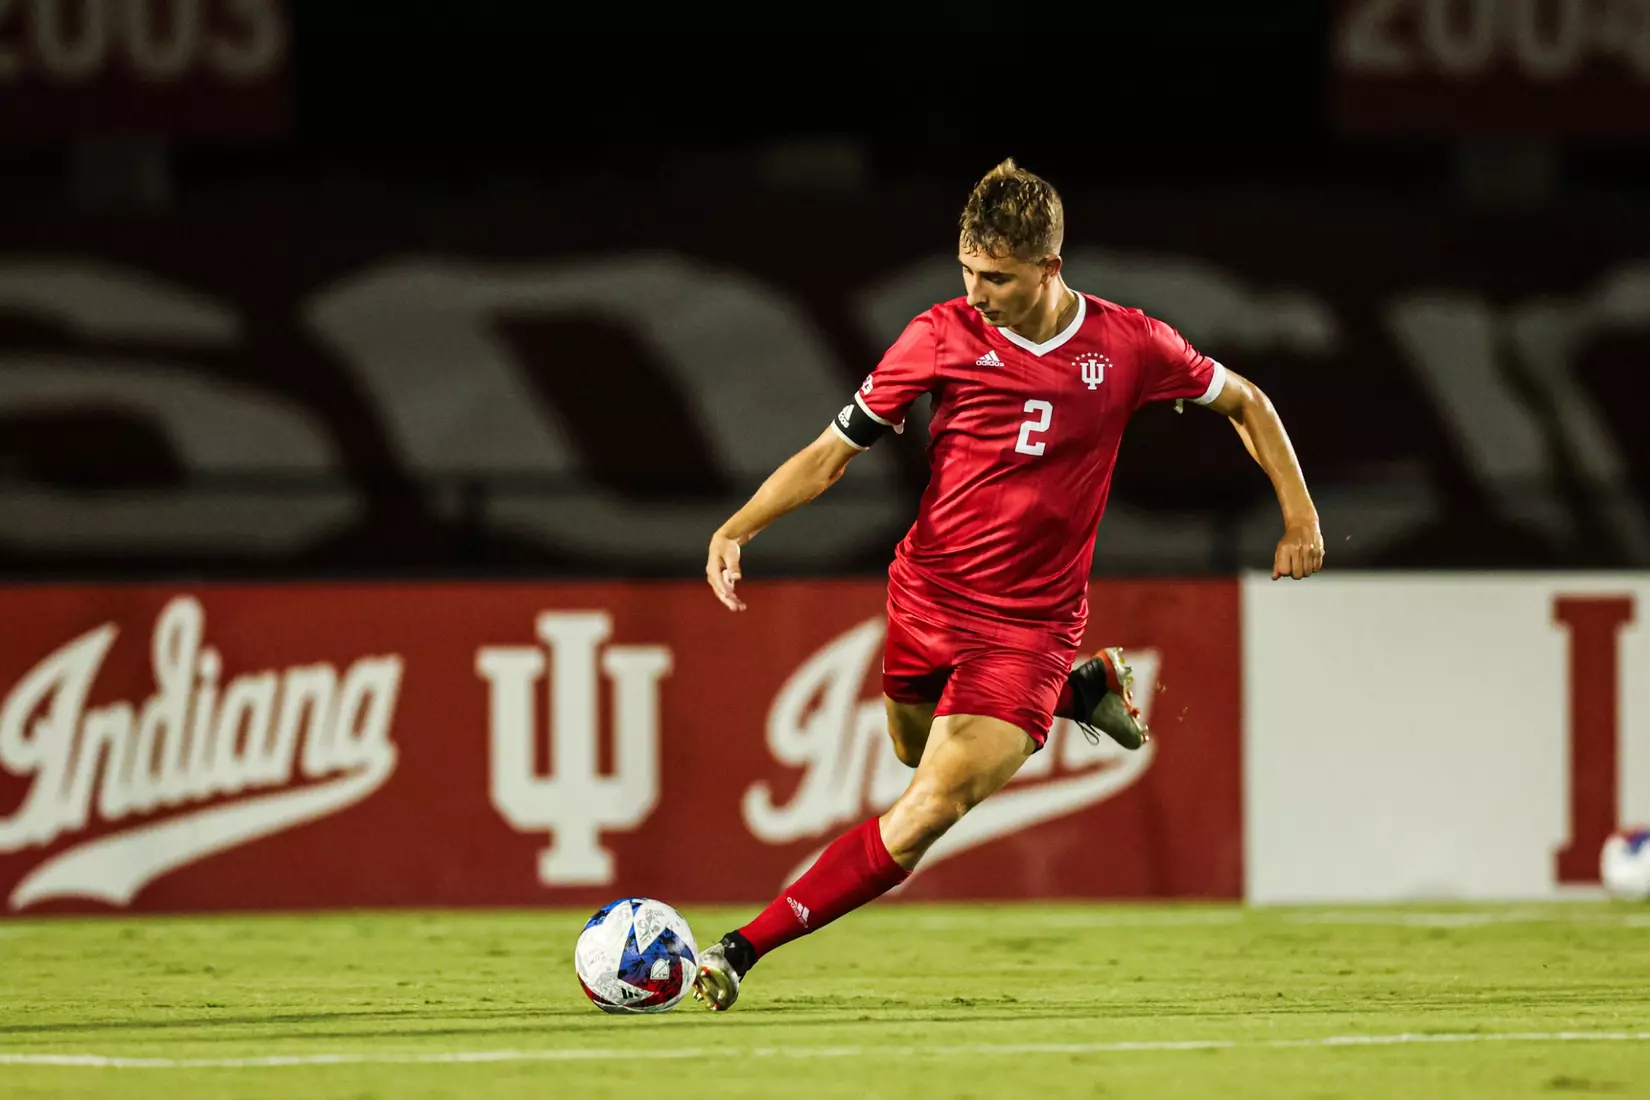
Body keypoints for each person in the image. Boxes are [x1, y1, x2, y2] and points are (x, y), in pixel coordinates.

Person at [693, 158, 1323, 1011]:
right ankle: (1083, 690)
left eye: (996, 276)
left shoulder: (1128, 344)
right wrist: (739, 527)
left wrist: (1300, 518)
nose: (977, 290)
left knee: (926, 809)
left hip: (1029, 628)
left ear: (1049, 269)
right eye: (967, 270)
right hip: (924, 595)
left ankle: (739, 949)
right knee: (913, 749)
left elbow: (1247, 401)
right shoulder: (938, 335)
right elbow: (832, 453)